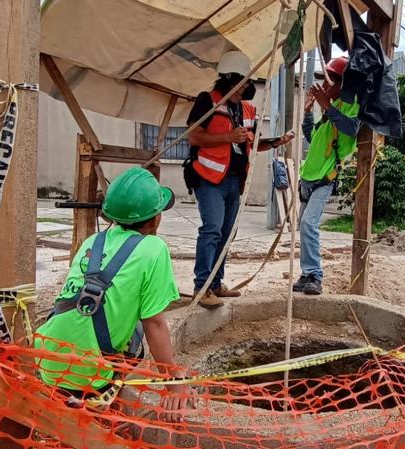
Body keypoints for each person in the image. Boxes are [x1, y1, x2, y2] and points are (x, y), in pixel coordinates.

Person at [34, 167, 190, 420]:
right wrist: (173, 380)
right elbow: (154, 323)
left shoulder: (92, 242)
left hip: (47, 359)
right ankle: (103, 394)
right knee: (138, 329)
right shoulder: (154, 249)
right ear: (155, 219)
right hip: (87, 377)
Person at [187, 51, 294, 309]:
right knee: (212, 230)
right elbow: (193, 136)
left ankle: (215, 284)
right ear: (228, 79)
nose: (245, 89)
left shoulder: (247, 109)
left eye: (247, 84)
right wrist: (227, 138)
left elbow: (252, 143)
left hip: (235, 180)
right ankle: (202, 287)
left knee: (226, 233)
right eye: (241, 83)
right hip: (209, 178)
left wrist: (277, 141)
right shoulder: (207, 101)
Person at [294, 56, 360, 296]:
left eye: (331, 80)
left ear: (344, 83)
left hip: (325, 178)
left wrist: (328, 105)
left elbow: (352, 128)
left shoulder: (350, 106)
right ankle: (306, 274)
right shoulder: (328, 114)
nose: (325, 85)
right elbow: (312, 137)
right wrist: (308, 112)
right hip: (308, 178)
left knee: (308, 224)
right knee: (304, 227)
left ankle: (315, 275)